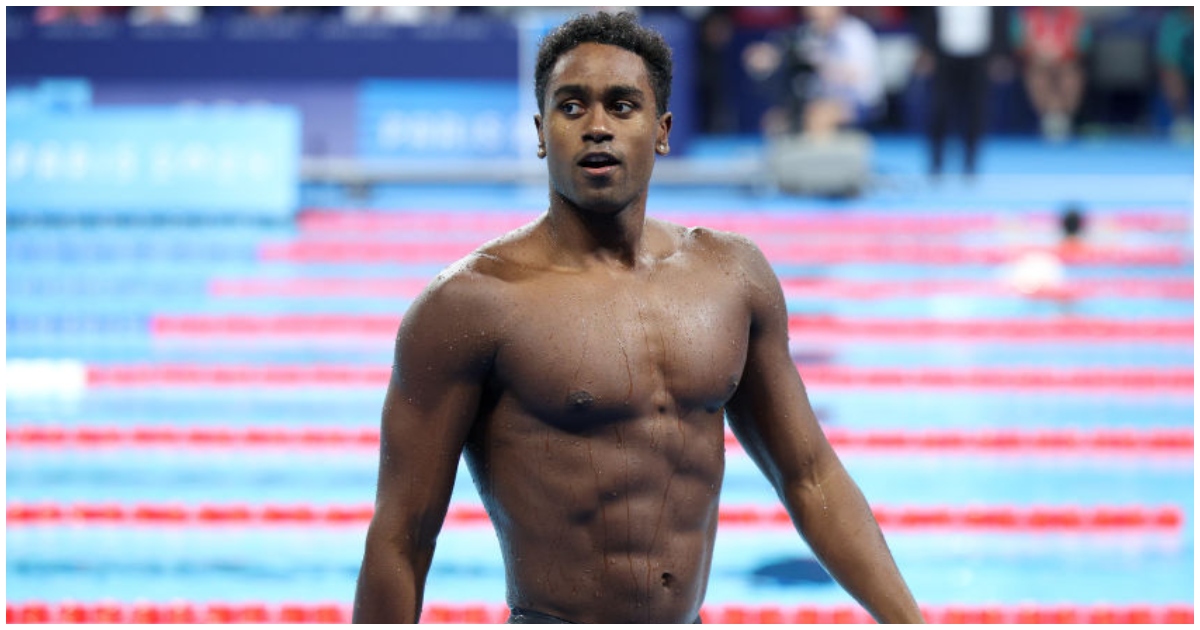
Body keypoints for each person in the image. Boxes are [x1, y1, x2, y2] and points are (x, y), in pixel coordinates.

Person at [353, 11, 923, 624]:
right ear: (542, 132)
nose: (597, 127)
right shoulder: (471, 305)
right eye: (572, 108)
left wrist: (910, 621)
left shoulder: (730, 278)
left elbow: (812, 479)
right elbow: (402, 539)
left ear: (662, 130)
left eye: (622, 106)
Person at [744, 6, 884, 138]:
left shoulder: (855, 33)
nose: (814, 10)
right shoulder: (808, 33)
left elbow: (860, 75)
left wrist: (823, 64)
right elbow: (780, 49)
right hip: (816, 98)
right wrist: (765, 57)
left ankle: (825, 161)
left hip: (858, 101)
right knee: (776, 121)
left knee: (818, 115)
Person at [914, 6, 1012, 179]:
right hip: (944, 55)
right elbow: (927, 17)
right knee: (939, 109)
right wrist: (926, 49)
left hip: (980, 57)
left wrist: (999, 54)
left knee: (976, 111)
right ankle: (936, 163)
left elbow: (1000, 17)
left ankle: (970, 163)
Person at [1010, 6, 1091, 142]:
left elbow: (1083, 43)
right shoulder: (1026, 17)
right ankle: (1049, 117)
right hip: (1037, 62)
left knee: (1071, 78)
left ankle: (1062, 116)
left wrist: (1061, 54)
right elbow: (1019, 42)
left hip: (1066, 62)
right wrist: (1039, 54)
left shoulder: (1075, 16)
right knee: (1038, 77)